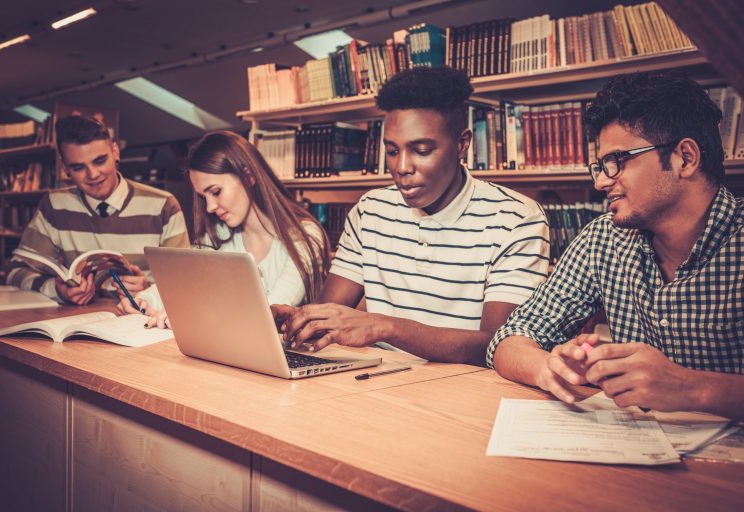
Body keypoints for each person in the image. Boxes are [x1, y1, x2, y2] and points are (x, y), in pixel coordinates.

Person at [487, 72, 744, 420]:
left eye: (617, 162)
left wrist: (690, 387)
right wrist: (549, 366)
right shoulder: (604, 237)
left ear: (685, 157)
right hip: (635, 452)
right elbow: (509, 339)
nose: (600, 182)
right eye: (600, 166)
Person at [272, 67, 550, 365]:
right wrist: (304, 321)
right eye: (392, 151)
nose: (402, 166)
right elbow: (331, 312)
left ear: (462, 144)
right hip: (377, 383)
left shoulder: (517, 219)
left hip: (466, 392)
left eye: (421, 150)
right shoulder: (370, 211)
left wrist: (384, 326)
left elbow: (498, 344)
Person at [117, 130, 330, 328]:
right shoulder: (218, 235)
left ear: (248, 176)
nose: (209, 207)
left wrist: (193, 314)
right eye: (203, 197)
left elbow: (271, 309)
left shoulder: (306, 236)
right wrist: (142, 300)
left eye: (216, 192)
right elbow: (183, 283)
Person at [6, 115, 190, 305]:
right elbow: (15, 271)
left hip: (141, 323)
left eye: (100, 160)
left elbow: (186, 283)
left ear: (115, 152)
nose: (92, 175)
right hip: (78, 322)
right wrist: (57, 289)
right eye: (78, 167)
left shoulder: (164, 206)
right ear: (64, 167)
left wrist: (149, 291)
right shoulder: (54, 206)